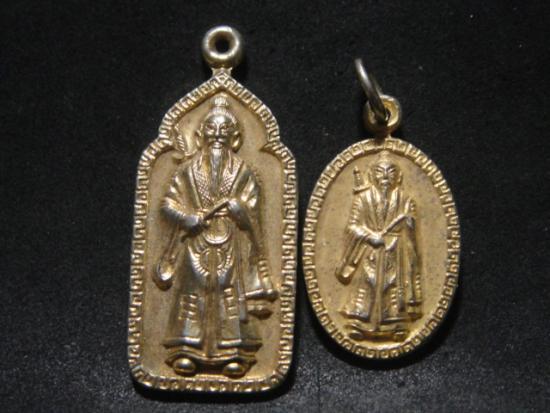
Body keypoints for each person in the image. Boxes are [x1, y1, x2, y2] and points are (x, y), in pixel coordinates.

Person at [155, 94, 276, 378]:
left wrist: (239, 210)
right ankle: (186, 351)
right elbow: (167, 204)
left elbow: (254, 210)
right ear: (200, 135)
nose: (217, 135)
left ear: (235, 138)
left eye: (225, 130)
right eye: (212, 128)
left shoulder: (244, 172)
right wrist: (187, 217)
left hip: (231, 243)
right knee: (191, 294)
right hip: (195, 243)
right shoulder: (187, 171)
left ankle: (234, 354)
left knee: (228, 295)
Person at [336, 151, 422, 342]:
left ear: (398, 176)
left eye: (390, 172)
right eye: (380, 172)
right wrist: (369, 236)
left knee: (393, 288)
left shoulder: (405, 200)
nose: (385, 177)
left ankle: (396, 326)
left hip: (396, 252)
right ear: (372, 175)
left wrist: (407, 222)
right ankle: (359, 324)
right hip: (370, 251)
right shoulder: (362, 199)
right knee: (367, 285)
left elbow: (411, 224)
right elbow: (352, 226)